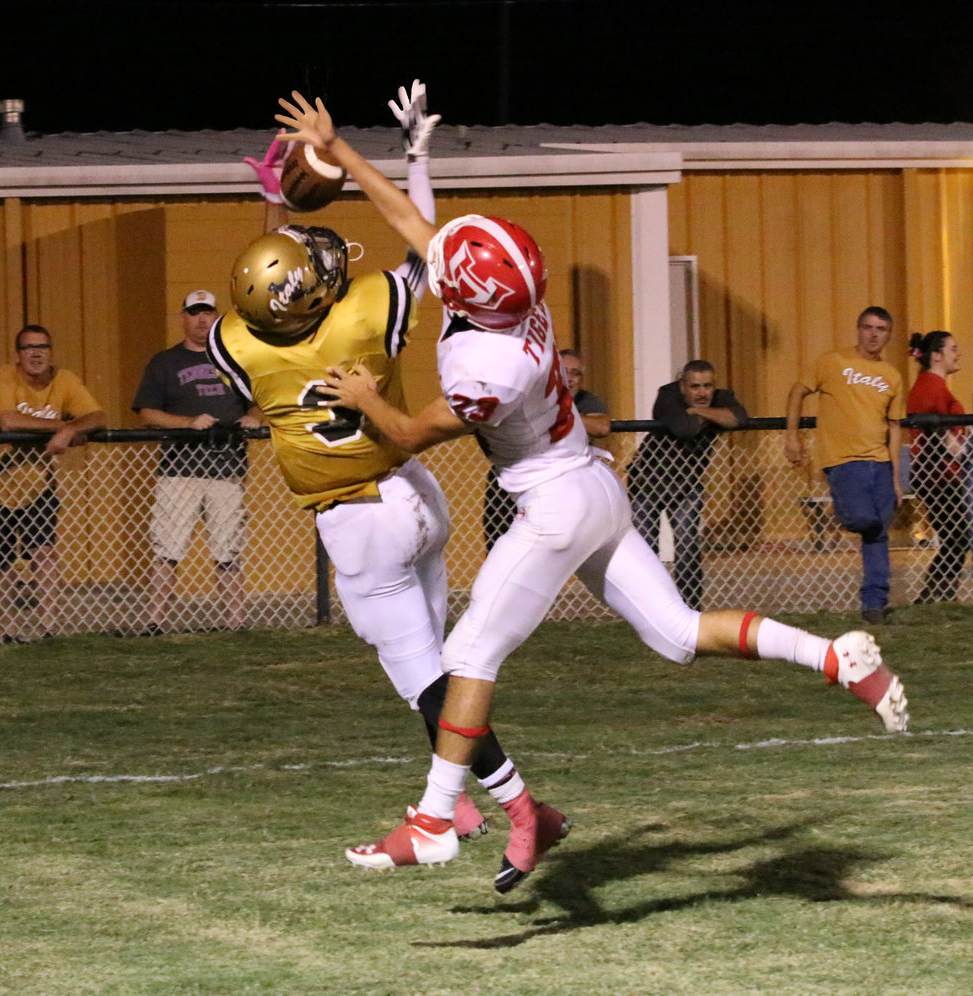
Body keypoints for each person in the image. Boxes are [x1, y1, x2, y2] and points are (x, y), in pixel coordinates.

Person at [274, 90, 910, 894]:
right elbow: (412, 225)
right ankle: (834, 657)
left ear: (469, 296)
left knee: (466, 655)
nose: (441, 250)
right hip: (594, 484)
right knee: (677, 634)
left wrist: (364, 394)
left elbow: (403, 435)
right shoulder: (514, 307)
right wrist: (350, 151)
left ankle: (435, 819)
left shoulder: (486, 369)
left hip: (555, 502)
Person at [206, 81, 538, 851]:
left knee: (425, 683)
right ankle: (451, 806)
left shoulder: (235, 343)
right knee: (438, 665)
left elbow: (268, 288)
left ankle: (513, 806)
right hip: (415, 491)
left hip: (358, 527)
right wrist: (412, 157)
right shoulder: (362, 311)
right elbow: (430, 246)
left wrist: (274, 210)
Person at [132, 292, 261, 634]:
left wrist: (254, 418)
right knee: (167, 546)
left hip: (227, 467)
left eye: (207, 313)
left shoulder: (236, 359)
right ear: (183, 318)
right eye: (194, 313)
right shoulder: (165, 362)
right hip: (180, 469)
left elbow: (261, 400)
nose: (202, 320)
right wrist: (187, 423)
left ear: (218, 317)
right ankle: (155, 621)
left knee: (228, 548)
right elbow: (147, 412)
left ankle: (235, 623)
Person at [0, 324, 106, 642]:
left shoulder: (65, 380)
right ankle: (8, 629)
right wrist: (66, 427)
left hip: (38, 485)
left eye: (43, 347)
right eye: (29, 348)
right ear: (18, 355)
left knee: (44, 553)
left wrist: (73, 429)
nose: (36, 354)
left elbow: (98, 417)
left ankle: (49, 628)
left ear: (51, 351)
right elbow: (8, 420)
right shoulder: (5, 376)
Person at [785, 308, 906, 626]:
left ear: (888, 335)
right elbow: (798, 391)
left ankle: (874, 604)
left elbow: (894, 427)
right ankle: (846, 513)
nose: (874, 334)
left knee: (878, 533)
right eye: (868, 327)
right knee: (862, 519)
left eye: (881, 329)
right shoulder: (832, 362)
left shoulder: (892, 376)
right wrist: (792, 436)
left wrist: (895, 477)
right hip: (843, 461)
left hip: (879, 462)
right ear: (858, 330)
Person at [627, 360, 748, 610]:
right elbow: (685, 428)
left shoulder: (722, 396)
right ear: (683, 386)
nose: (702, 393)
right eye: (695, 387)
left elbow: (740, 418)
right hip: (647, 482)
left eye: (707, 386)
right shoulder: (667, 395)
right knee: (647, 547)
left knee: (687, 546)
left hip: (687, 484)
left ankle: (688, 607)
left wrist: (700, 412)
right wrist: (713, 417)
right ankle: (648, 606)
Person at [484, 348, 610, 549]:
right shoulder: (528, 392)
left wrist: (553, 412)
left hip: (560, 482)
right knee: (501, 541)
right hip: (514, 476)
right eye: (564, 371)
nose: (570, 378)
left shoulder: (585, 401)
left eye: (575, 373)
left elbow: (602, 426)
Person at [905, 330, 969, 603]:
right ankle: (933, 595)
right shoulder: (930, 388)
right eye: (952, 349)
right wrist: (963, 452)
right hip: (938, 474)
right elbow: (938, 433)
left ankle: (938, 594)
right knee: (958, 536)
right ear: (936, 356)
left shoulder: (933, 386)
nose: (958, 354)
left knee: (957, 537)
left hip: (939, 473)